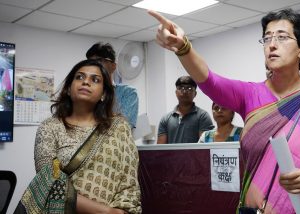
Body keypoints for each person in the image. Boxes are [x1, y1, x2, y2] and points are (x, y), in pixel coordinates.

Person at [148, 9, 300, 213]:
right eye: (267, 38)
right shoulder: (250, 94)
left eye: (282, 37)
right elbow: (210, 81)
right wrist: (182, 46)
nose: (272, 44)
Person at [22, 59, 141, 213]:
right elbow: (49, 183)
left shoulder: (119, 127)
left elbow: (129, 182)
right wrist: (106, 212)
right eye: (79, 77)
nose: (86, 82)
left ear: (104, 94)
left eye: (95, 80)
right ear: (69, 89)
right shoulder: (50, 128)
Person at [86, 42, 139, 128]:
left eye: (99, 61)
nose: (94, 66)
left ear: (113, 66)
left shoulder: (127, 92)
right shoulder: (86, 92)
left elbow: (124, 126)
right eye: (90, 63)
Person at [157, 75, 214, 144]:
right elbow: (160, 149)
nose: (184, 91)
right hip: (171, 155)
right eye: (180, 88)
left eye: (189, 88)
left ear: (195, 93)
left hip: (195, 155)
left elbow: (206, 146)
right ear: (176, 92)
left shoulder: (203, 116)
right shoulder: (165, 119)